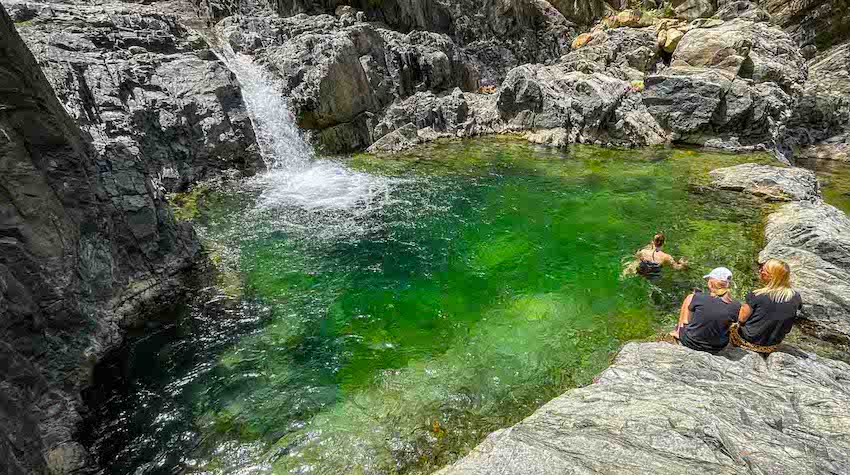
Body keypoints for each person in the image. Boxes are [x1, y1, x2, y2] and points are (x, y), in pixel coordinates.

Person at [730, 258, 802, 354]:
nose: (760, 271)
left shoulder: (756, 295)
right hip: (772, 345)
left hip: (747, 342)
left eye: (763, 270)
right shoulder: (796, 296)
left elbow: (741, 318)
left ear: (771, 276)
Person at [670, 267, 741, 354]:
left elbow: (686, 321)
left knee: (689, 299)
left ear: (710, 283)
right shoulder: (736, 305)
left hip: (691, 343)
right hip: (717, 347)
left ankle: (677, 332)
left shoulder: (696, 297)